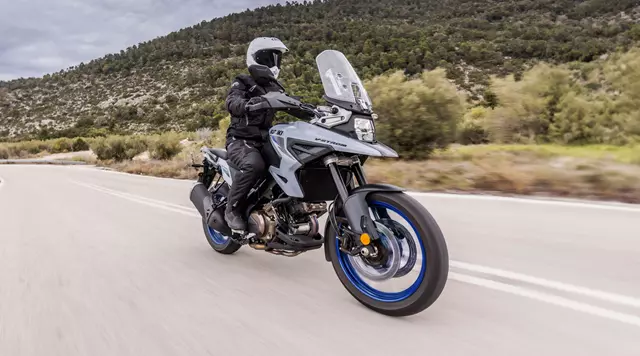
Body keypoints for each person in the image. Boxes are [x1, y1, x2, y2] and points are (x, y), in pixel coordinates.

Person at [223, 37, 289, 232]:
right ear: (256, 58)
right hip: (240, 140)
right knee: (254, 164)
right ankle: (232, 210)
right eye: (269, 58)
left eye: (276, 59)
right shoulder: (243, 81)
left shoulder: (275, 87)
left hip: (266, 140)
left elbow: (292, 104)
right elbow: (232, 101)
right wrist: (246, 105)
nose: (274, 64)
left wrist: (314, 111)